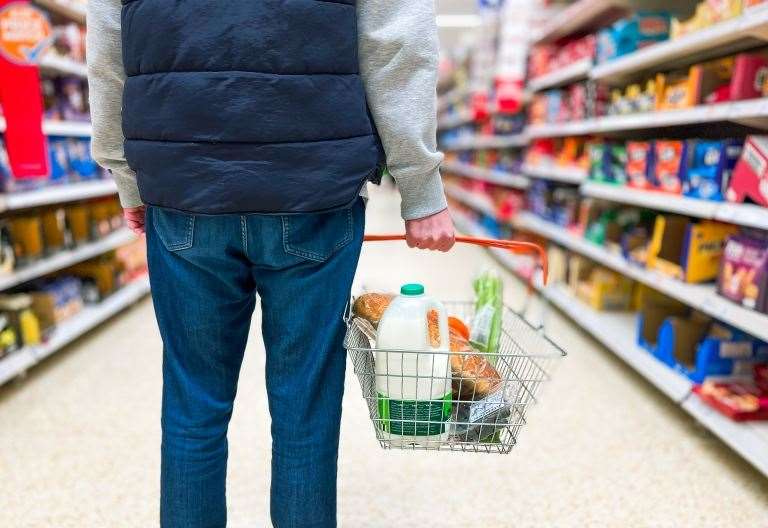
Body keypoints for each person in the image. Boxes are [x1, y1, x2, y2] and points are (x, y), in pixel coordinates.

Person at [86, 1, 454, 526]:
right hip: (313, 189)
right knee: (305, 408)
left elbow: (107, 56)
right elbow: (396, 45)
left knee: (195, 404)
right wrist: (420, 186)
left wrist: (129, 176)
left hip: (185, 189)